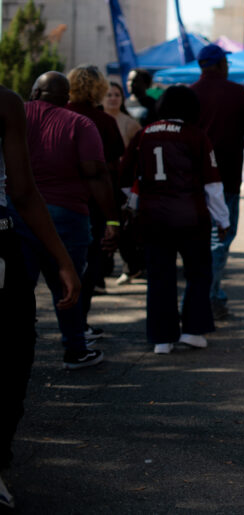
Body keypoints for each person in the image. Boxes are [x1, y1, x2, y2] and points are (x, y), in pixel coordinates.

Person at [0, 84, 81, 510]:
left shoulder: (13, 104)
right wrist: (63, 259)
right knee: (12, 354)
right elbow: (23, 190)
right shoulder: (3, 101)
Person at [8, 71, 118, 369]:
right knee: (68, 285)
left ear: (33, 92)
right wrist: (112, 220)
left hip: (18, 212)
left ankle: (17, 343)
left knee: (19, 286)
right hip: (67, 213)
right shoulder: (80, 123)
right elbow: (96, 173)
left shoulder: (15, 114)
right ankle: (75, 349)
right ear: (66, 97)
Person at [121, 86, 230, 353]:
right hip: (191, 217)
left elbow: (126, 177)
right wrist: (222, 219)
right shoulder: (196, 136)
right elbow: (212, 184)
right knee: (198, 273)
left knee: (159, 276)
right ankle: (193, 331)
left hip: (153, 217)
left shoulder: (144, 134)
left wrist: (134, 205)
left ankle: (161, 338)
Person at [191, 44, 244, 319]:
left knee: (200, 241)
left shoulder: (188, 94)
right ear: (222, 64)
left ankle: (209, 294)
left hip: (191, 181)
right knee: (220, 239)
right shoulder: (238, 94)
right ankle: (208, 298)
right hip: (226, 180)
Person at [65, 65, 125, 340]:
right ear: (99, 89)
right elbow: (111, 166)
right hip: (94, 203)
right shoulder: (103, 122)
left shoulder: (57, 116)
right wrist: (114, 217)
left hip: (56, 199)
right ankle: (78, 325)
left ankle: (72, 325)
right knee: (90, 264)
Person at [103, 81, 145, 286]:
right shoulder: (97, 120)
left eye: (116, 95)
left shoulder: (130, 123)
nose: (112, 98)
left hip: (122, 181)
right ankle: (104, 266)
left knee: (123, 224)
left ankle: (130, 267)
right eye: (109, 95)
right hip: (102, 180)